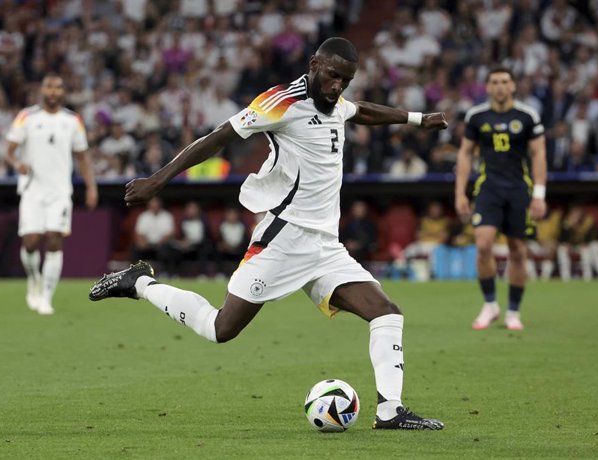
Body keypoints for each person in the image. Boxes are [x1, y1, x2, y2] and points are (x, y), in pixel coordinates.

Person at [89, 38, 448, 430]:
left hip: (326, 246)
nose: (337, 87)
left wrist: (416, 119)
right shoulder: (281, 102)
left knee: (387, 313)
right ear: (314, 64)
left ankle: (390, 411)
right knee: (220, 329)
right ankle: (139, 282)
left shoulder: (336, 103)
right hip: (283, 238)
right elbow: (218, 138)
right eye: (332, 76)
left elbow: (360, 112)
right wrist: (159, 180)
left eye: (345, 80)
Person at [455, 67, 547, 331]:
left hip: (519, 189)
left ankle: (513, 312)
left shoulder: (527, 116)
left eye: (505, 82)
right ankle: (490, 304)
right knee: (483, 244)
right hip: (489, 188)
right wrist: (460, 192)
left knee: (518, 250)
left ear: (513, 86)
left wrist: (539, 195)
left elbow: (539, 154)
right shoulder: (476, 116)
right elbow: (465, 154)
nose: (500, 86)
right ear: (487, 87)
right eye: (494, 82)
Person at [5, 73, 97, 315]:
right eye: (49, 87)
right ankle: (34, 278)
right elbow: (10, 150)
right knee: (31, 241)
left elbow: (82, 157)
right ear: (42, 90)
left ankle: (46, 297)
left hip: (60, 191)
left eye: (58, 87)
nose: (53, 91)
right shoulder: (26, 117)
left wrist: (91, 187)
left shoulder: (73, 120)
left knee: (55, 238)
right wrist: (16, 164)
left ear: (63, 92)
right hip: (32, 189)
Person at [556, 205, 597, 281]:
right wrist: (570, 228)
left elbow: (592, 236)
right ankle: (565, 277)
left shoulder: (587, 222)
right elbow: (561, 239)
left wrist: (585, 243)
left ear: (581, 214)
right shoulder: (566, 224)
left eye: (577, 214)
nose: (575, 216)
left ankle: (587, 277)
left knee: (586, 252)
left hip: (582, 246)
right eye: (573, 214)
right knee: (561, 249)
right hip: (571, 246)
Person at [339, 200, 378, 267]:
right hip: (349, 248)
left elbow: (372, 240)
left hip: (364, 248)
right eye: (356, 209)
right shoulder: (347, 224)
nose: (358, 211)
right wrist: (348, 243)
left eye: (360, 209)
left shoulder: (370, 224)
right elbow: (342, 237)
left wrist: (359, 244)